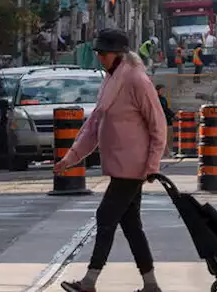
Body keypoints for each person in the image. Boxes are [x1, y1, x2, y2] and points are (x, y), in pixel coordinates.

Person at [57, 29, 167, 292]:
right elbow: (94, 124)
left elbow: (158, 125)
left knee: (105, 217)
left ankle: (89, 281)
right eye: (97, 53)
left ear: (119, 55)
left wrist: (152, 165)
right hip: (121, 166)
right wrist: (71, 157)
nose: (99, 58)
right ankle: (151, 285)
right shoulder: (111, 80)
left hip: (134, 166)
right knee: (130, 225)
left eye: (103, 54)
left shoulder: (137, 80)